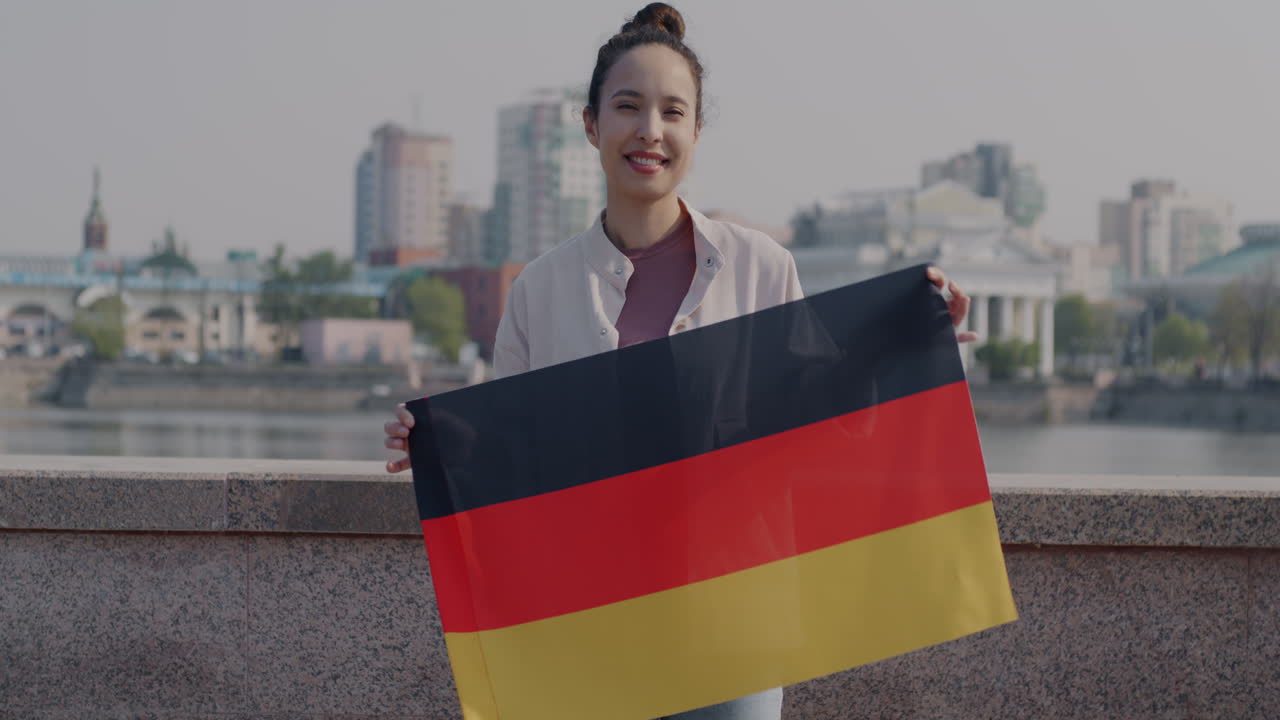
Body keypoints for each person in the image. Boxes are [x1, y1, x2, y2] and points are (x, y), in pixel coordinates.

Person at [384, 4, 976, 718]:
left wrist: (911, 340)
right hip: (591, 621)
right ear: (591, 124)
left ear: (696, 130)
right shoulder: (540, 289)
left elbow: (829, 415)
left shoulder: (761, 267)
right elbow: (515, 449)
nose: (649, 131)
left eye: (672, 112)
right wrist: (435, 442)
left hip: (735, 624)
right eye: (628, 107)